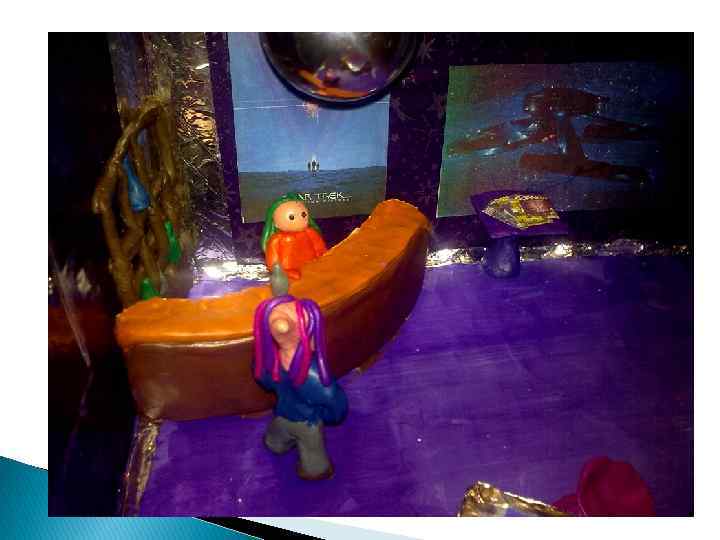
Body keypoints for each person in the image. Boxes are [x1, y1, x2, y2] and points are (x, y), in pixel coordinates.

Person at [253, 295, 348, 480]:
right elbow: (335, 402)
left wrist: (323, 416)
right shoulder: (274, 364)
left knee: (313, 456)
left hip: (302, 420)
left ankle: (316, 471)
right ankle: (280, 446)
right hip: (288, 415)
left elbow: (335, 403)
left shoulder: (304, 373)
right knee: (276, 439)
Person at [261, 193, 327, 280]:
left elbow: (320, 250)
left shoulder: (310, 232)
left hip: (312, 267)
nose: (300, 219)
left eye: (303, 215)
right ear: (275, 223)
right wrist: (283, 272)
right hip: (288, 272)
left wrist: (321, 261)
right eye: (291, 217)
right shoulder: (276, 240)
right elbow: (273, 263)